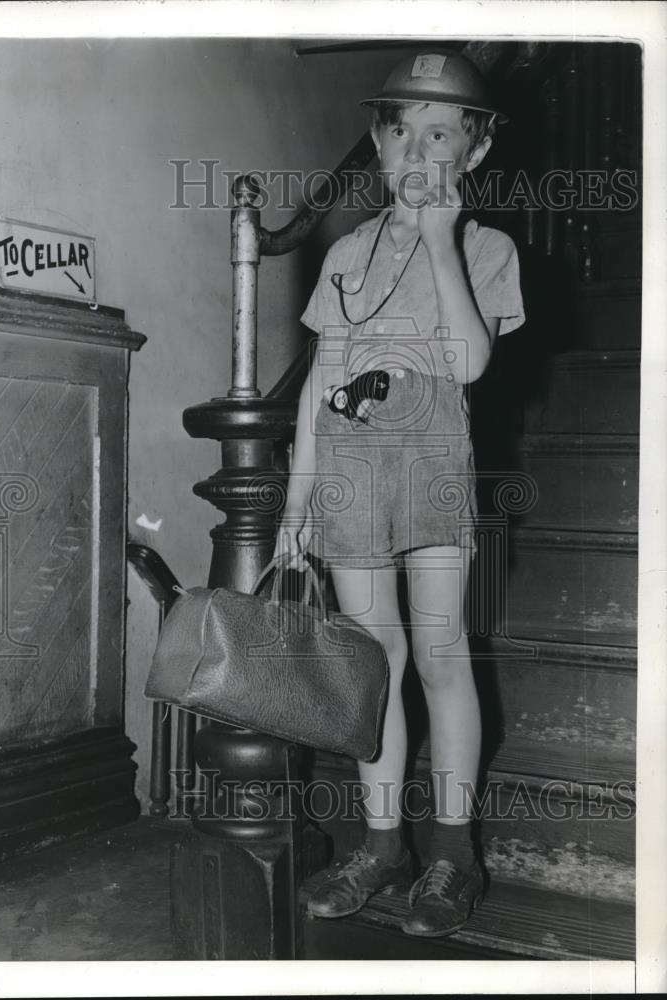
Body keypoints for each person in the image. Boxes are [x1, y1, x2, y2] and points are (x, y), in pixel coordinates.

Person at [275, 48, 525, 937]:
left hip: (428, 465)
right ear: (380, 149)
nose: (419, 152)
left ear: (474, 154)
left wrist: (440, 239)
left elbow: (467, 362)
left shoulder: (485, 246)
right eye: (403, 133)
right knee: (372, 665)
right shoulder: (344, 250)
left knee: (442, 656)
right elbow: (316, 386)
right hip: (348, 472)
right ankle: (384, 845)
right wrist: (297, 505)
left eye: (441, 135)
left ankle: (452, 852)